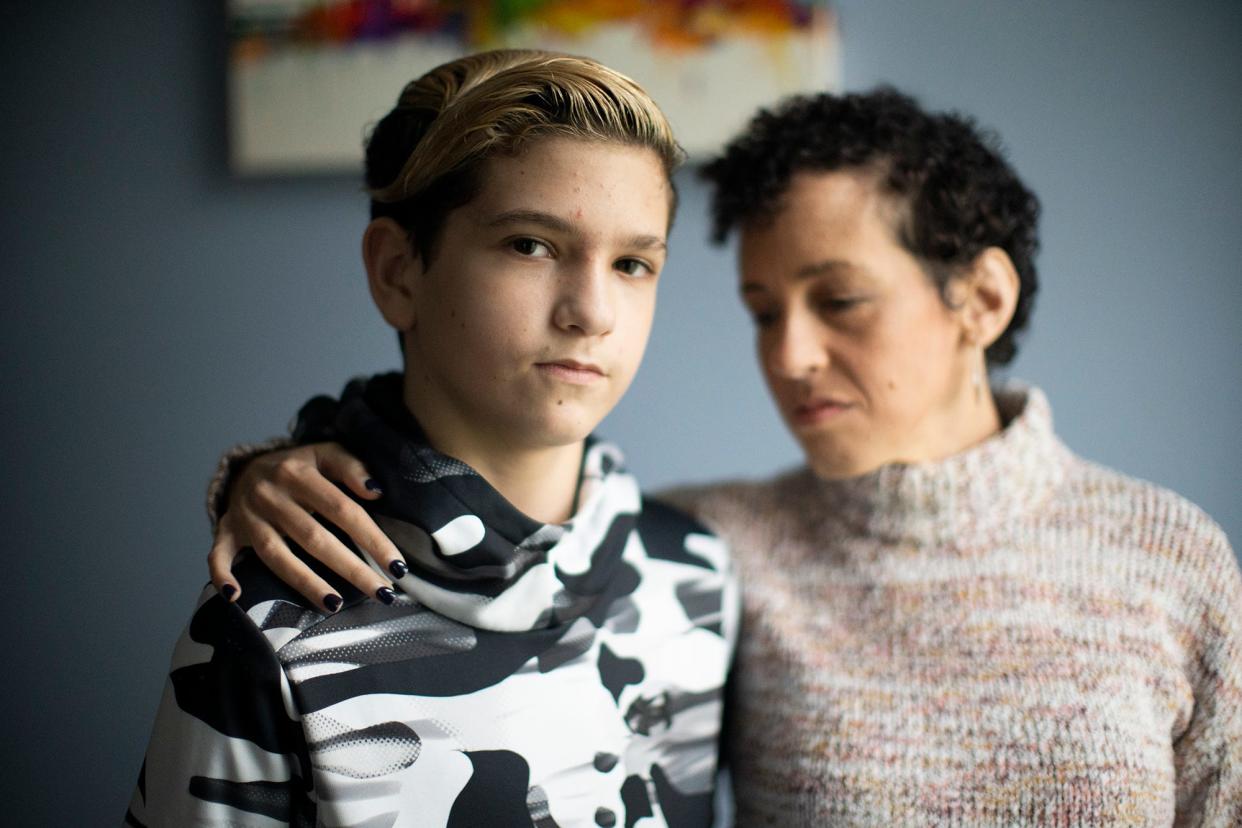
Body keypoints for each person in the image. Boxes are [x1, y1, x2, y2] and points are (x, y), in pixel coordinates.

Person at [206, 89, 1242, 825]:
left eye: (838, 301)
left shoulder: (1171, 555)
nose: (788, 356)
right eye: (761, 312)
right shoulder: (713, 553)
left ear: (981, 299)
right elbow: (509, 537)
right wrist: (274, 472)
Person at [128, 49, 738, 828]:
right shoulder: (268, 626)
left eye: (631, 263)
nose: (593, 312)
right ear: (397, 271)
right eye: (530, 244)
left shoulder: (698, 578)